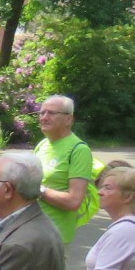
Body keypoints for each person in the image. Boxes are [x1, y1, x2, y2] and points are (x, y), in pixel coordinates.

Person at [32, 95, 97, 244]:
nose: (44, 117)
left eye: (51, 113)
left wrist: (39, 190)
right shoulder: (42, 145)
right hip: (32, 232)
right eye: (42, 113)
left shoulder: (79, 149)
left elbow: (74, 201)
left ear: (69, 119)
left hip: (54, 237)